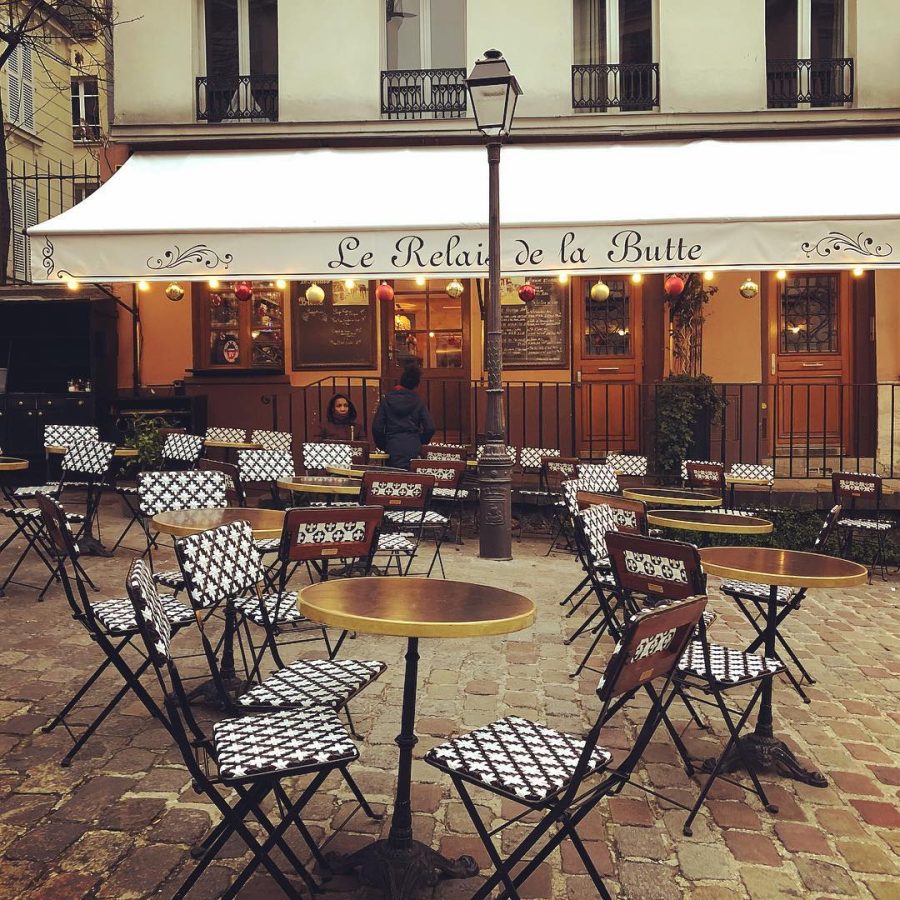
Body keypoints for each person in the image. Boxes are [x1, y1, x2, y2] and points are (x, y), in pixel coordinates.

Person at [372, 364, 435, 469]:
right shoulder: (418, 401)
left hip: (393, 444)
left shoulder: (387, 400)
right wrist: (420, 440)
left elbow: (377, 428)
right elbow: (430, 427)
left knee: (395, 479)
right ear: (416, 385)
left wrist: (384, 444)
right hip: (413, 445)